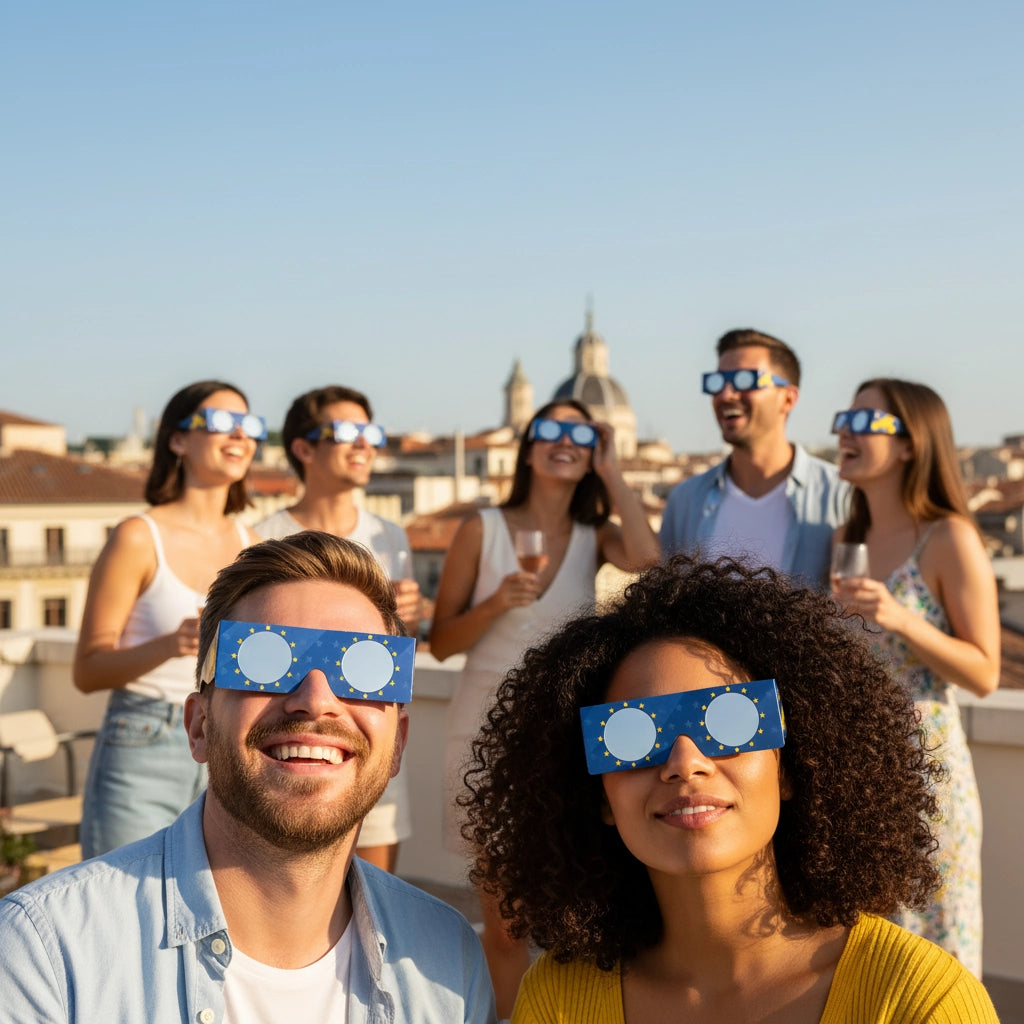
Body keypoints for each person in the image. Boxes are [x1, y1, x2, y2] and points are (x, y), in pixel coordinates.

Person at [462, 557, 998, 1023]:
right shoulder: (559, 998)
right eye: (631, 735)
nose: (685, 763)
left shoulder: (919, 1002)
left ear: (789, 767)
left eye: (731, 721)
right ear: (599, 795)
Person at [0, 532, 495, 1023]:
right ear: (197, 725)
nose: (316, 699)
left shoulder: (451, 962)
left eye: (364, 670)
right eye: (266, 660)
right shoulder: (46, 956)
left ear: (398, 746)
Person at [430, 398, 660, 1018]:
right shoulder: (482, 528)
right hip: (485, 731)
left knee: (574, 907)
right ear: (528, 446)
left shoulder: (596, 537)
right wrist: (496, 603)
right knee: (504, 921)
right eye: (551, 429)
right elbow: (442, 642)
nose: (565, 440)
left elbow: (650, 563)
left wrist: (614, 473)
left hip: (562, 734)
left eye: (581, 433)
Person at [830, 378, 1000, 977]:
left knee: (936, 955)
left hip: (926, 773)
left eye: (865, 422)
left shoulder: (948, 537)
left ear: (909, 445)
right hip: (853, 775)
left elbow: (984, 671)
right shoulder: (843, 541)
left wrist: (901, 618)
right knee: (864, 962)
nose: (844, 431)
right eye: (844, 419)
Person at [74, 380, 262, 857]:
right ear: (177, 439)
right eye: (220, 423)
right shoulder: (138, 537)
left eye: (248, 425)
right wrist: (174, 643)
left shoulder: (254, 543)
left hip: (228, 740)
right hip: (144, 739)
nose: (238, 436)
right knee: (119, 903)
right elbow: (88, 670)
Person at [256, 384, 422, 873]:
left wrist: (406, 618)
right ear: (304, 448)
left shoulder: (391, 535)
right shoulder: (262, 536)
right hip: (297, 729)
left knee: (375, 887)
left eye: (369, 432)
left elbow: (403, 651)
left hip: (369, 725)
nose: (364, 444)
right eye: (347, 432)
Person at [660, 328, 849, 588]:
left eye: (745, 380)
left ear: (788, 399)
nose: (726, 395)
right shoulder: (685, 501)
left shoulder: (841, 498)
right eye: (718, 383)